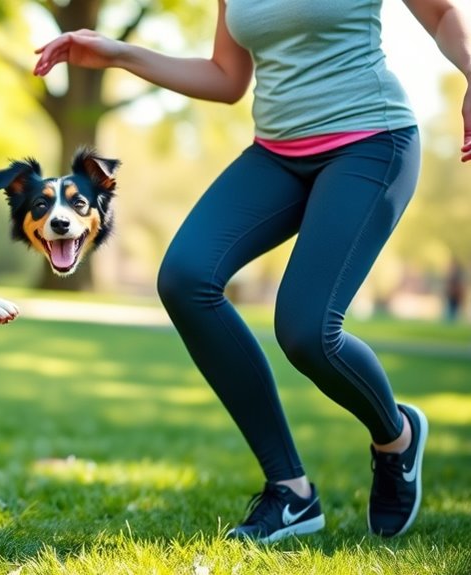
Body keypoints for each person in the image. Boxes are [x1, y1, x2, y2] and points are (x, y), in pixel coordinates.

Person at [34, 0, 470, 543]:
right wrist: (121, 54)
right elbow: (226, 77)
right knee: (186, 277)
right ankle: (291, 491)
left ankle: (396, 437)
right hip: (278, 154)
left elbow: (441, 15)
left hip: (370, 144)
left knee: (308, 331)